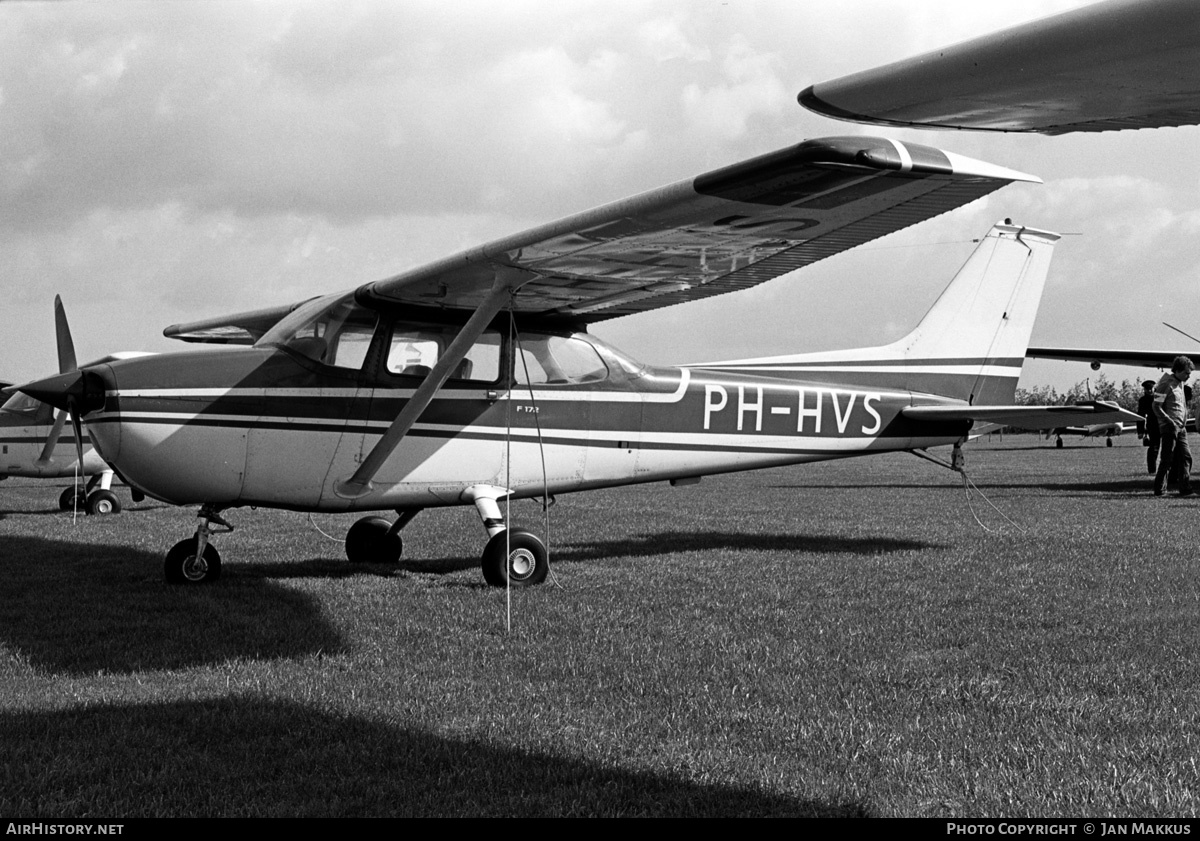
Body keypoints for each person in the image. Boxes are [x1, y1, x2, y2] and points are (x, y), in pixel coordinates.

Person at [1152, 356, 1194, 497]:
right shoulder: (1165, 384)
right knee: (1167, 459)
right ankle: (1160, 490)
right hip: (1169, 427)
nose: (1188, 376)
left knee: (1186, 457)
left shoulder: (1180, 383)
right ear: (1177, 370)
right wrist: (1169, 421)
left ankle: (1185, 488)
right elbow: (1156, 406)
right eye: (1186, 373)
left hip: (1181, 427)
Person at [1138, 379, 1160, 474]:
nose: (1149, 391)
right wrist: (1140, 431)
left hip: (1164, 423)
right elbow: (1140, 416)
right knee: (1153, 448)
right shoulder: (1143, 400)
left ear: (1154, 388)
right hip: (1152, 425)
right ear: (1144, 389)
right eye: (1147, 389)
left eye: (1151, 388)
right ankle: (1152, 470)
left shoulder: (1159, 397)